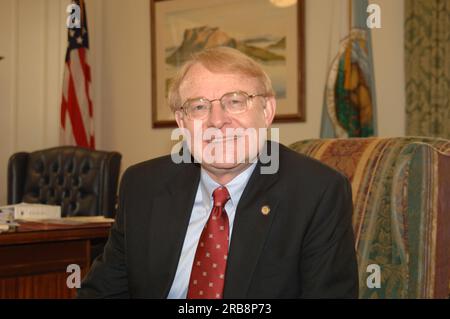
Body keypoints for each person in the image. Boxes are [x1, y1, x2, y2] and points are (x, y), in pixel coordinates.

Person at [78, 46, 358, 299]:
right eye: (199, 107)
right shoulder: (143, 186)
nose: (217, 120)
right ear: (182, 121)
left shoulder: (317, 192)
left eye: (235, 101)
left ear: (267, 110)